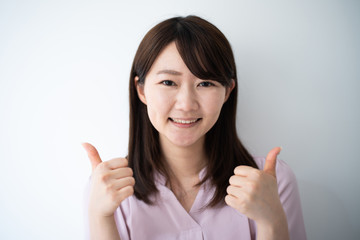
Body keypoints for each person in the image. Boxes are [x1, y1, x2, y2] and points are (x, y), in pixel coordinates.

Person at [82, 15, 306, 240]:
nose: (187, 104)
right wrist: (99, 217)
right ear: (141, 90)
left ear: (227, 92)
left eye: (205, 83)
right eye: (168, 82)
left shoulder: (271, 183)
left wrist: (272, 220)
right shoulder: (108, 187)